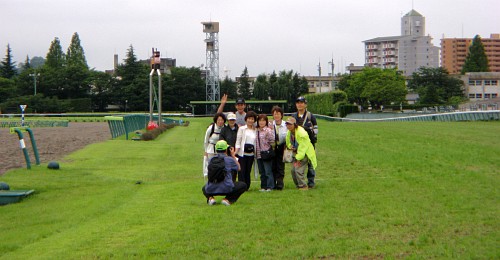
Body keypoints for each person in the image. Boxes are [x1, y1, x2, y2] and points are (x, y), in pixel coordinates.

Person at [202, 140, 247, 206]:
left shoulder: (211, 159)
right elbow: (239, 168)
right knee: (243, 185)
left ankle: (210, 198)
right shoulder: (229, 159)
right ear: (226, 149)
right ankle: (227, 200)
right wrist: (233, 155)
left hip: (211, 188)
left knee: (204, 188)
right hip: (226, 188)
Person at [292, 96, 318, 189]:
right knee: (297, 164)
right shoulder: (293, 116)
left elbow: (316, 129)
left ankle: (311, 183)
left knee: (311, 165)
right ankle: (299, 182)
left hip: (309, 145)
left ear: (305, 104)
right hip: (298, 145)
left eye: (301, 102)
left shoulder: (311, 116)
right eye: (298, 102)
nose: (300, 104)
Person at [285, 117, 317, 190]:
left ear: (295, 124)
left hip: (305, 153)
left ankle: (303, 186)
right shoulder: (289, 132)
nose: (288, 126)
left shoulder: (302, 133)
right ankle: (298, 185)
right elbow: (288, 142)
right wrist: (291, 147)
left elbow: (303, 146)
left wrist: (298, 158)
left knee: (298, 169)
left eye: (290, 124)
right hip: (296, 153)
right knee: (293, 170)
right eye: (287, 124)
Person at [234, 111, 257, 190]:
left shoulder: (255, 130)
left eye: (252, 119)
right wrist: (236, 151)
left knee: (248, 171)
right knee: (242, 171)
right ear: (246, 119)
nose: (250, 120)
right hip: (242, 153)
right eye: (249, 119)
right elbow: (238, 140)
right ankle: (241, 186)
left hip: (251, 154)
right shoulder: (242, 129)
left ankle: (247, 186)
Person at [255, 114, 275, 191]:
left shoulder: (268, 130)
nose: (261, 122)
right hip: (258, 154)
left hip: (266, 153)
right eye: (260, 120)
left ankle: (270, 186)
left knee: (268, 171)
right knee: (262, 172)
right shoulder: (256, 130)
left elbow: (272, 140)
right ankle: (263, 186)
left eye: (263, 120)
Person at [269, 106, 287, 190]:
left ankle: (280, 184)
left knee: (280, 167)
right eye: (275, 114)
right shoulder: (270, 125)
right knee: (273, 166)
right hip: (272, 148)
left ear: (281, 115)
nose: (276, 116)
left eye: (278, 114)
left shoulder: (286, 125)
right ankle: (272, 184)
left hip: (282, 147)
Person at [203, 112, 226, 177]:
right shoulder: (211, 128)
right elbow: (206, 139)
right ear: (216, 120)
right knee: (211, 165)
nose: (220, 122)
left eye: (222, 120)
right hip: (211, 149)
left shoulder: (225, 127)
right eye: (218, 120)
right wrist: (205, 150)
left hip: (222, 150)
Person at [219, 112, 239, 182]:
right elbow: (221, 140)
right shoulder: (224, 130)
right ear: (228, 120)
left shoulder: (239, 129)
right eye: (230, 120)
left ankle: (233, 183)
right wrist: (228, 148)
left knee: (235, 169)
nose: (232, 121)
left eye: (233, 120)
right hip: (226, 153)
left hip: (237, 153)